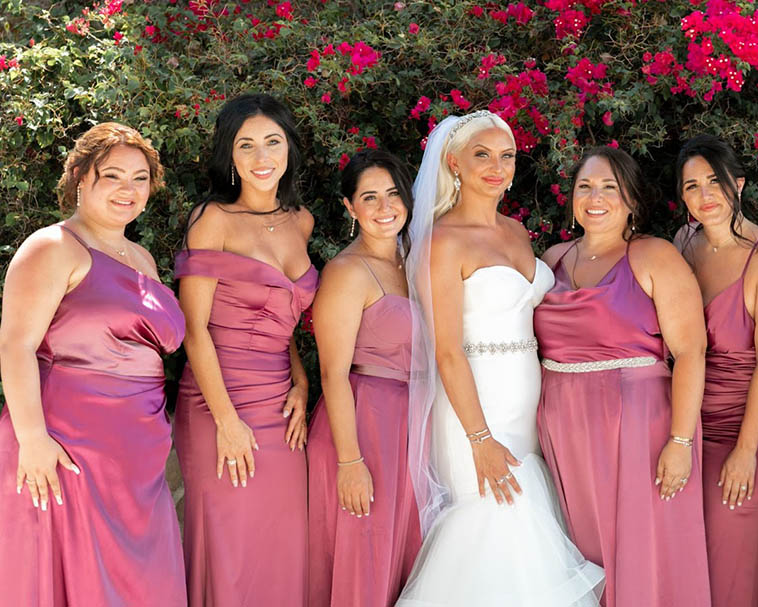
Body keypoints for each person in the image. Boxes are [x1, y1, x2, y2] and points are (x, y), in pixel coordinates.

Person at [396, 111, 604, 607]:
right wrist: (481, 440)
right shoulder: (440, 241)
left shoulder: (515, 231)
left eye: (506, 156)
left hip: (526, 406)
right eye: (482, 155)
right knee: (495, 529)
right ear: (454, 163)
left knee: (528, 532)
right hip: (475, 410)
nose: (497, 167)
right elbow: (446, 349)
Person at [0, 123, 186, 606]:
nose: (129, 190)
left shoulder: (142, 258)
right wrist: (33, 439)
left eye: (140, 178)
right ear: (81, 177)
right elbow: (16, 346)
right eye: (113, 176)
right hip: (68, 450)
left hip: (137, 457)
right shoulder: (53, 247)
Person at [533, 146, 711, 606]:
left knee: (643, 546)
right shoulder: (550, 260)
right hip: (565, 428)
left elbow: (691, 352)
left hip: (640, 428)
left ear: (631, 198)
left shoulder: (654, 255)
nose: (596, 197)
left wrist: (681, 442)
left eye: (609, 187)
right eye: (585, 187)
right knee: (583, 549)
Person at [174, 93, 316, 606]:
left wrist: (301, 381)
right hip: (218, 403)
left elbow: (285, 320)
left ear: (289, 149)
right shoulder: (212, 219)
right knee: (230, 546)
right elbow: (194, 331)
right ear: (229, 156)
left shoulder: (300, 221)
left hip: (280, 403)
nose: (262, 157)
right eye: (246, 145)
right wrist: (227, 421)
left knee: (283, 542)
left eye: (272, 142)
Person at [672, 135, 758, 607]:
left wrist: (746, 451)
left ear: (738, 185)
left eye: (715, 182)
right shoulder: (683, 243)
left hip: (756, 421)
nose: (705, 195)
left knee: (730, 520)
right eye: (692, 186)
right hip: (692, 420)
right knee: (675, 527)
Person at [307, 150, 421, 607]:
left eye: (393, 194)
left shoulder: (413, 263)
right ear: (349, 208)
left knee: (406, 553)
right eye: (369, 198)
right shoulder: (345, 272)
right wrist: (350, 462)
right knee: (365, 554)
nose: (385, 207)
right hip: (364, 422)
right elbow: (332, 375)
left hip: (412, 422)